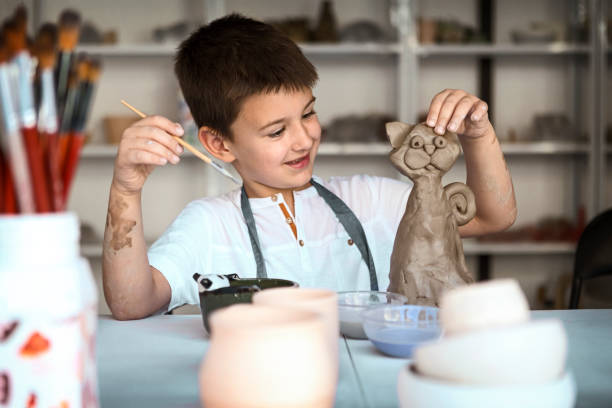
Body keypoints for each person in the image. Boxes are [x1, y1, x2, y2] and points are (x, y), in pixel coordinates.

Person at [102, 14, 517, 320]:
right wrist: (125, 190)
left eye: (309, 114)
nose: (303, 138)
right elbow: (130, 303)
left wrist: (478, 134)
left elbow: (491, 216)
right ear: (218, 143)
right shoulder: (209, 225)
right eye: (276, 131)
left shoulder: (370, 200)